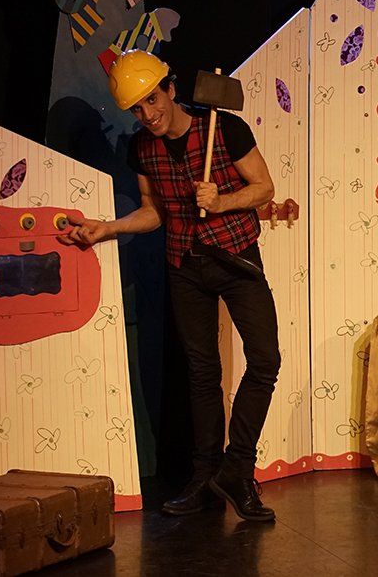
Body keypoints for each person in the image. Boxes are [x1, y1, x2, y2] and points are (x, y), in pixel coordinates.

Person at [60, 49, 280, 522]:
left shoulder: (225, 128)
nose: (148, 114)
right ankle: (205, 475)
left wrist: (221, 201)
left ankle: (237, 470)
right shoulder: (142, 148)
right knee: (202, 375)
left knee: (265, 361)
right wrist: (107, 228)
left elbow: (264, 188)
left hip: (237, 259)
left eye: (153, 100)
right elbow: (154, 211)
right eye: (137, 108)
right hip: (185, 266)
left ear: (171, 89)